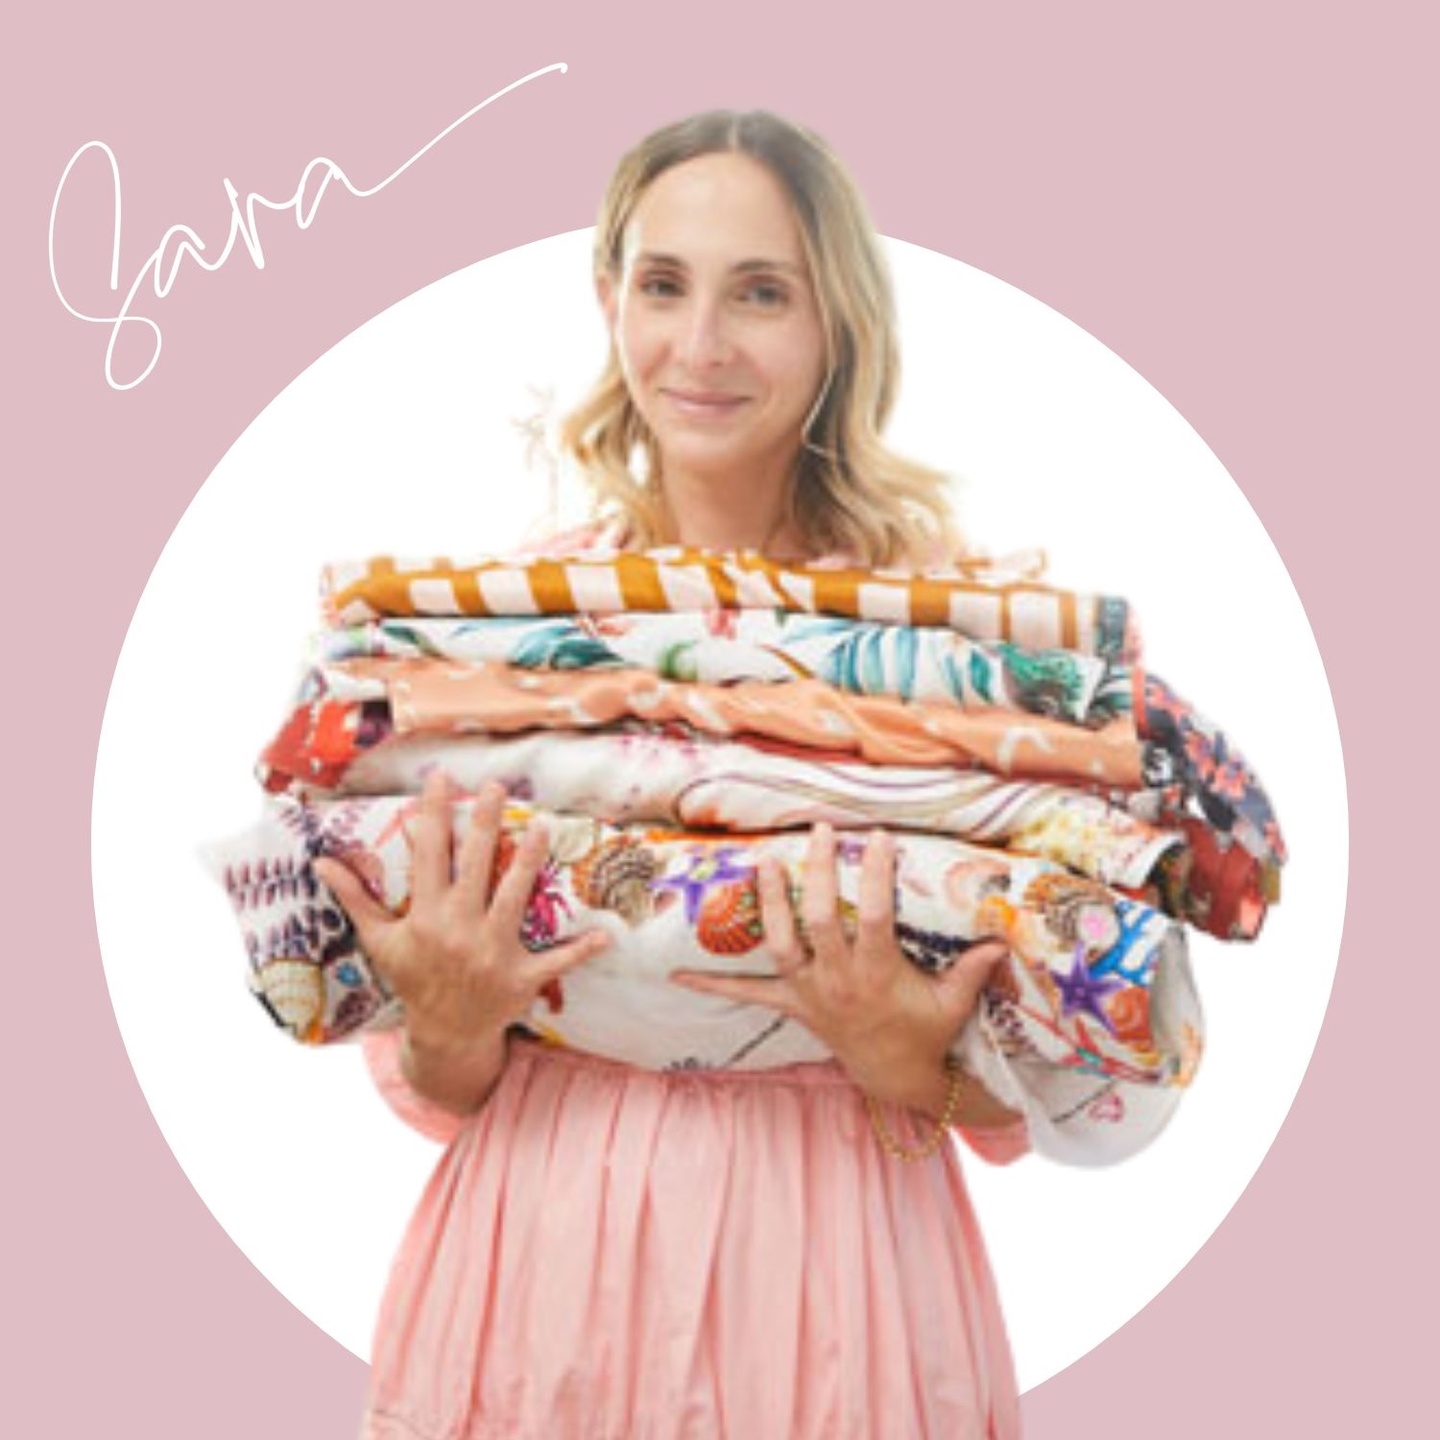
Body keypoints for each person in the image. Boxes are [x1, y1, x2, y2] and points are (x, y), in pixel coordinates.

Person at [315, 109, 1029, 1440]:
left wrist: (909, 1060)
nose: (699, 346)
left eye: (760, 292)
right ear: (610, 300)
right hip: (538, 1274)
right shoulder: (503, 637)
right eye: (662, 285)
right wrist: (451, 1019)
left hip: (836, 1282)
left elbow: (1030, 1090)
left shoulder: (952, 650)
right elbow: (433, 1081)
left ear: (839, 324)